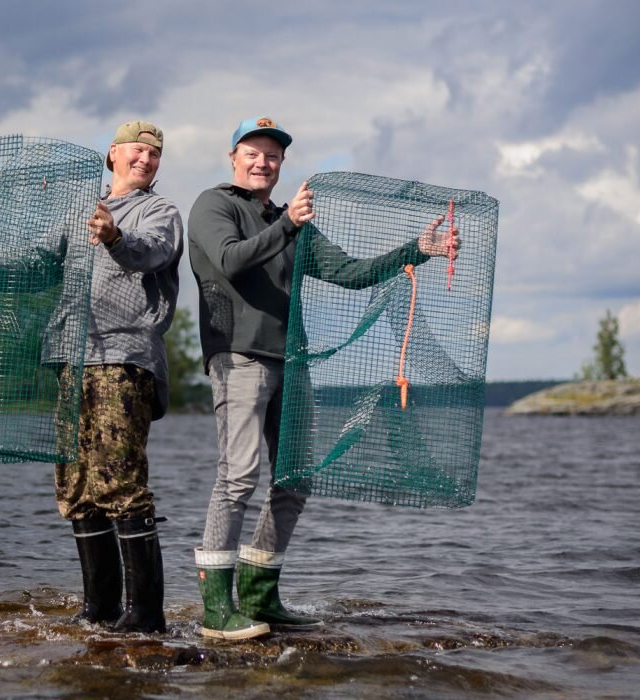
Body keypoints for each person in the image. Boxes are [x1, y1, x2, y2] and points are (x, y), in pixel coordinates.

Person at [187, 117, 460, 640]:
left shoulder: (291, 221)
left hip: (293, 363)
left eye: (273, 155)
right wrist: (287, 223)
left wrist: (416, 252)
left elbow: (350, 273)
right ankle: (216, 611)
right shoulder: (214, 204)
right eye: (253, 152)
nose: (263, 162)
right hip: (238, 358)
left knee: (295, 479)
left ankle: (262, 597)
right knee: (239, 475)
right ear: (233, 157)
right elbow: (228, 261)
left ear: (282, 164)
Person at [0, 121, 184, 633]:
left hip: (124, 358)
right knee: (77, 485)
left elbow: (151, 251)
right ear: (113, 154)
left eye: (155, 154)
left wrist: (113, 235)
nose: (146, 159)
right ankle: (100, 609)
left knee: (121, 481)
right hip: (71, 358)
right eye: (138, 150)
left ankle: (145, 616)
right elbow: (32, 268)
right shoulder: (76, 212)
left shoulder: (162, 213)